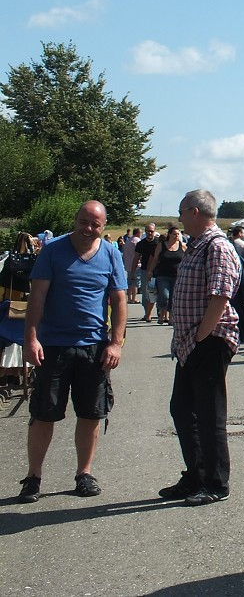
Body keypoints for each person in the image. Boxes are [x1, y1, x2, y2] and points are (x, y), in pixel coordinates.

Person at [17, 200, 127, 503]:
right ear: (75, 220)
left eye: (95, 224)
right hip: (53, 345)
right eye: (83, 222)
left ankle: (84, 473)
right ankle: (33, 477)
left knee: (92, 413)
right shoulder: (53, 251)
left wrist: (116, 342)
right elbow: (37, 296)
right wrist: (31, 338)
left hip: (93, 347)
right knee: (43, 413)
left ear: (103, 227)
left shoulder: (111, 254)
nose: (88, 228)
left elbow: (119, 301)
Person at [160, 189, 242, 506]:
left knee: (209, 415)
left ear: (195, 212)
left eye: (182, 212)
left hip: (209, 340)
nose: (179, 219)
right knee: (182, 409)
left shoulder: (217, 246)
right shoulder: (198, 245)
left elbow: (220, 298)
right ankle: (196, 474)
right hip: (192, 343)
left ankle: (216, 482)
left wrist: (199, 338)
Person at [148, 223, 186, 326]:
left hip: (177, 276)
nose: (176, 236)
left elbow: (189, 259)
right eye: (174, 234)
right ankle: (161, 314)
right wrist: (150, 271)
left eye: (178, 234)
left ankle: (171, 318)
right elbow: (155, 259)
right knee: (164, 295)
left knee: (174, 297)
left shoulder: (182, 246)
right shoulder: (162, 245)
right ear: (169, 235)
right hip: (163, 275)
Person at [135, 223, 160, 322]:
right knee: (146, 293)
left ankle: (160, 312)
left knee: (158, 292)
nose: (150, 233)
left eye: (152, 231)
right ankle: (147, 313)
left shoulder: (158, 243)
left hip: (158, 271)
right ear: (145, 232)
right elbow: (136, 258)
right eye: (148, 231)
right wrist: (132, 272)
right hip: (145, 270)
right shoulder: (141, 244)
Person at [122, 227, 142, 304]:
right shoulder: (137, 241)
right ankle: (134, 298)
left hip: (128, 264)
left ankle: (129, 298)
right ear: (138, 233)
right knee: (135, 282)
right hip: (136, 264)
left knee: (129, 282)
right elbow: (139, 253)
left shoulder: (128, 241)